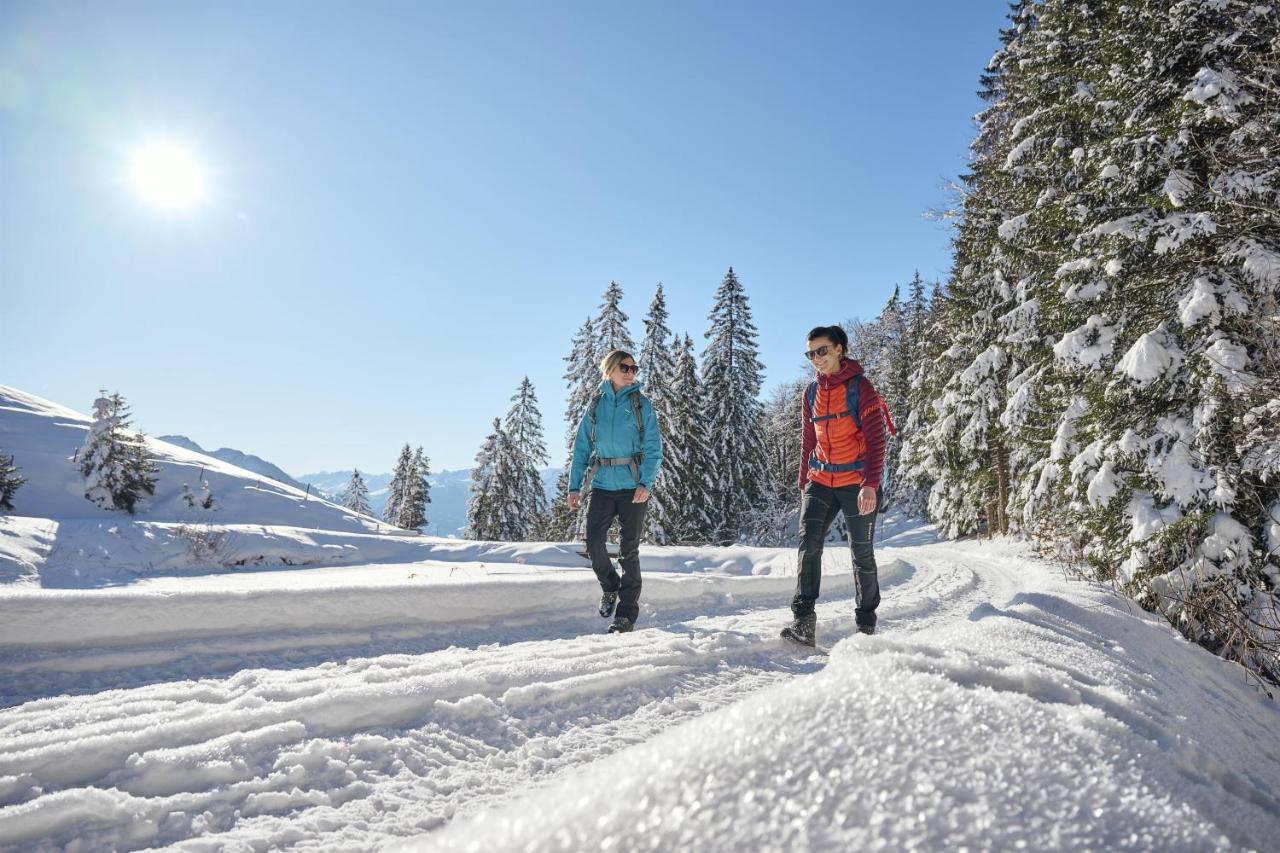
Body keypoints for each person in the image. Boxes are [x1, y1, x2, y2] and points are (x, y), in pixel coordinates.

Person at [782, 325, 890, 647]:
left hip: (856, 482)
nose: (817, 358)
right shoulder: (810, 394)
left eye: (822, 350)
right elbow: (808, 441)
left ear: (839, 349)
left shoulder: (861, 388)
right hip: (819, 481)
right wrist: (803, 481)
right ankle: (803, 622)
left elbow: (876, 440)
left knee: (861, 552)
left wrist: (870, 484)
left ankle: (866, 625)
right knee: (808, 545)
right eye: (811, 353)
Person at [568, 350, 664, 634]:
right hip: (602, 486)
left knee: (628, 550)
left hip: (633, 487)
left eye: (634, 368)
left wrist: (646, 483)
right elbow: (582, 447)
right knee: (594, 543)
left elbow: (654, 448)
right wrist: (575, 486)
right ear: (609, 369)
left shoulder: (641, 404)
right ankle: (610, 586)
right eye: (625, 367)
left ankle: (625, 616)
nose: (631, 372)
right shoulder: (596, 404)